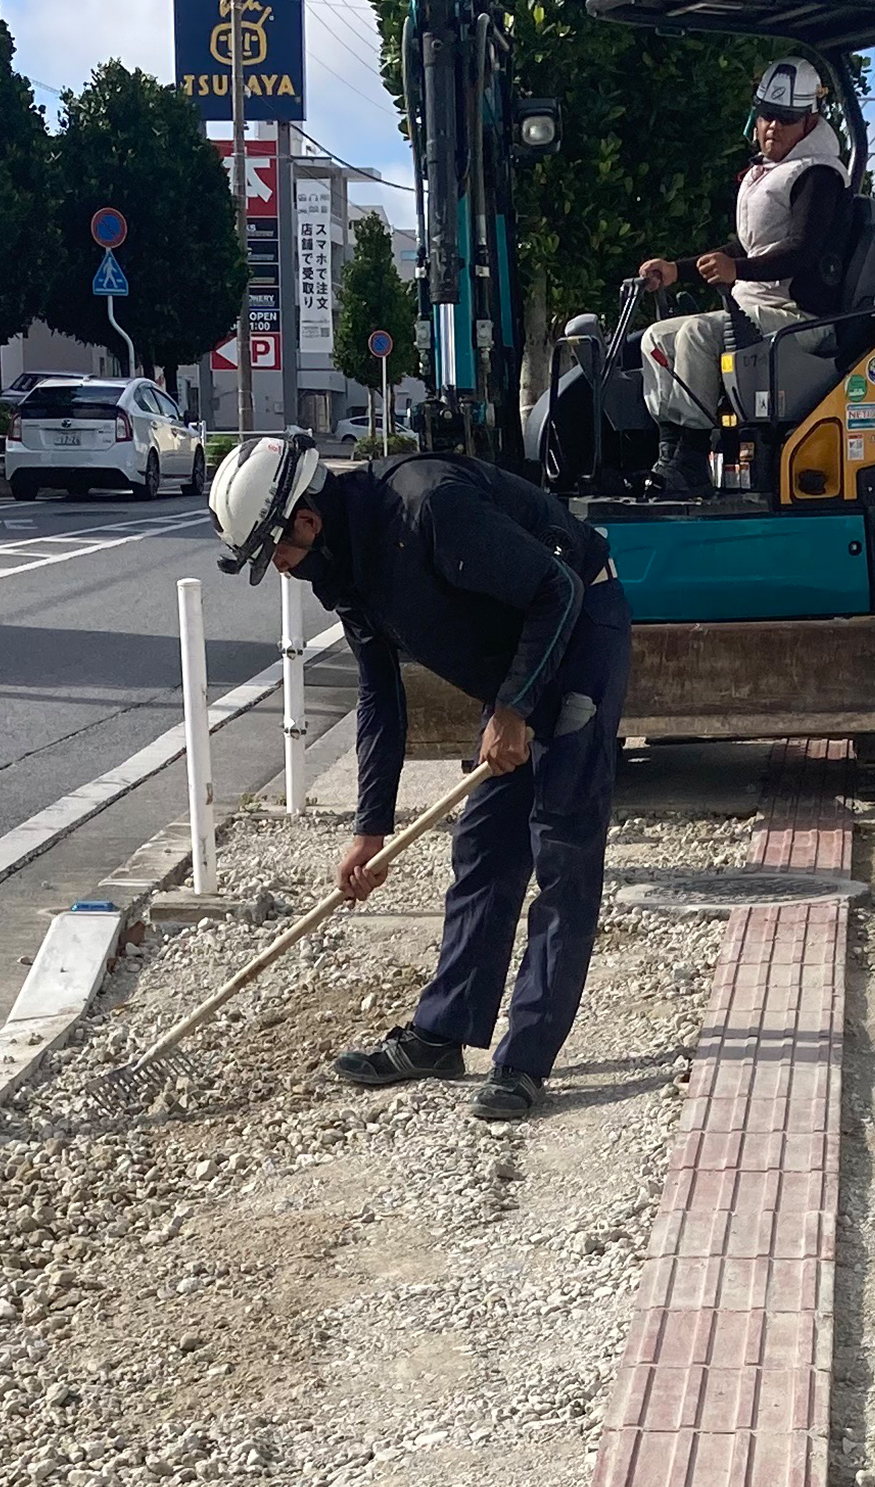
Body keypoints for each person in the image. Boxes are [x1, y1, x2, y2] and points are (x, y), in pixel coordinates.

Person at [208, 432, 631, 1119]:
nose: (280, 568)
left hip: (580, 631)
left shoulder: (430, 508)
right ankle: (442, 1033)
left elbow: (558, 590)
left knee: (562, 849)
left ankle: (524, 1062)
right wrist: (369, 830)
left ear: (306, 520)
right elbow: (380, 696)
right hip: (515, 662)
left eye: (276, 553)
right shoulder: (346, 568)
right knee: (484, 848)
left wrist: (516, 709)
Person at [635, 57, 851, 494]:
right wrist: (678, 270)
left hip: (799, 318)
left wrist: (738, 270)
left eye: (786, 119)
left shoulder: (820, 176)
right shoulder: (768, 173)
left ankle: (693, 456)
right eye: (767, 115)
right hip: (757, 307)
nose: (773, 127)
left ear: (810, 121)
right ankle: (669, 449)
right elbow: (748, 251)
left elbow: (801, 253)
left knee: (697, 332)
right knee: (655, 336)